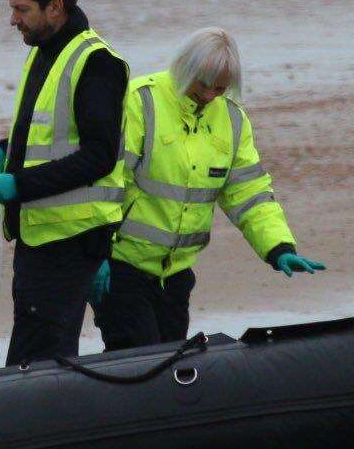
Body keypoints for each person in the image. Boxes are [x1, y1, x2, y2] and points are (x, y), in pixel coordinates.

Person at [97, 28, 325, 350]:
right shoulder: (140, 102)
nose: (208, 95)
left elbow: (249, 194)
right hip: (121, 268)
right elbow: (106, 183)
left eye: (219, 88)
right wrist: (95, 254)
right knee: (138, 360)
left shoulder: (232, 121)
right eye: (202, 84)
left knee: (170, 365)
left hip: (175, 276)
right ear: (184, 68)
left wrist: (279, 248)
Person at [0, 0, 130, 364]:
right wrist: (1, 149)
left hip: (69, 241)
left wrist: (19, 184)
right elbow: (48, 129)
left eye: (21, 9)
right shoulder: (46, 49)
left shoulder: (96, 62)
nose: (13, 20)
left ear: (55, 8)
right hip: (39, 236)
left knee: (39, 362)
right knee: (37, 355)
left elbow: (99, 155)